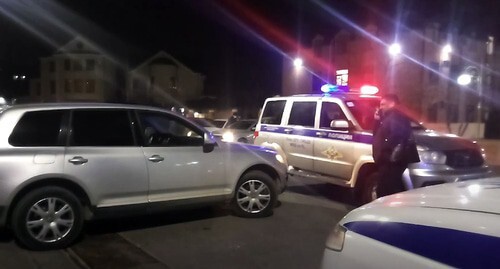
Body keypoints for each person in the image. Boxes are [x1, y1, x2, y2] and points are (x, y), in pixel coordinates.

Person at [372, 94, 420, 198]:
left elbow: (396, 136)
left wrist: (384, 151)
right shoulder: (388, 117)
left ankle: (386, 211)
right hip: (389, 159)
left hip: (391, 160)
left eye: (383, 104)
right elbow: (377, 134)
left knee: (385, 189)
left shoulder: (396, 116)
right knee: (386, 188)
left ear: (392, 104)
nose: (381, 107)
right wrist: (377, 120)